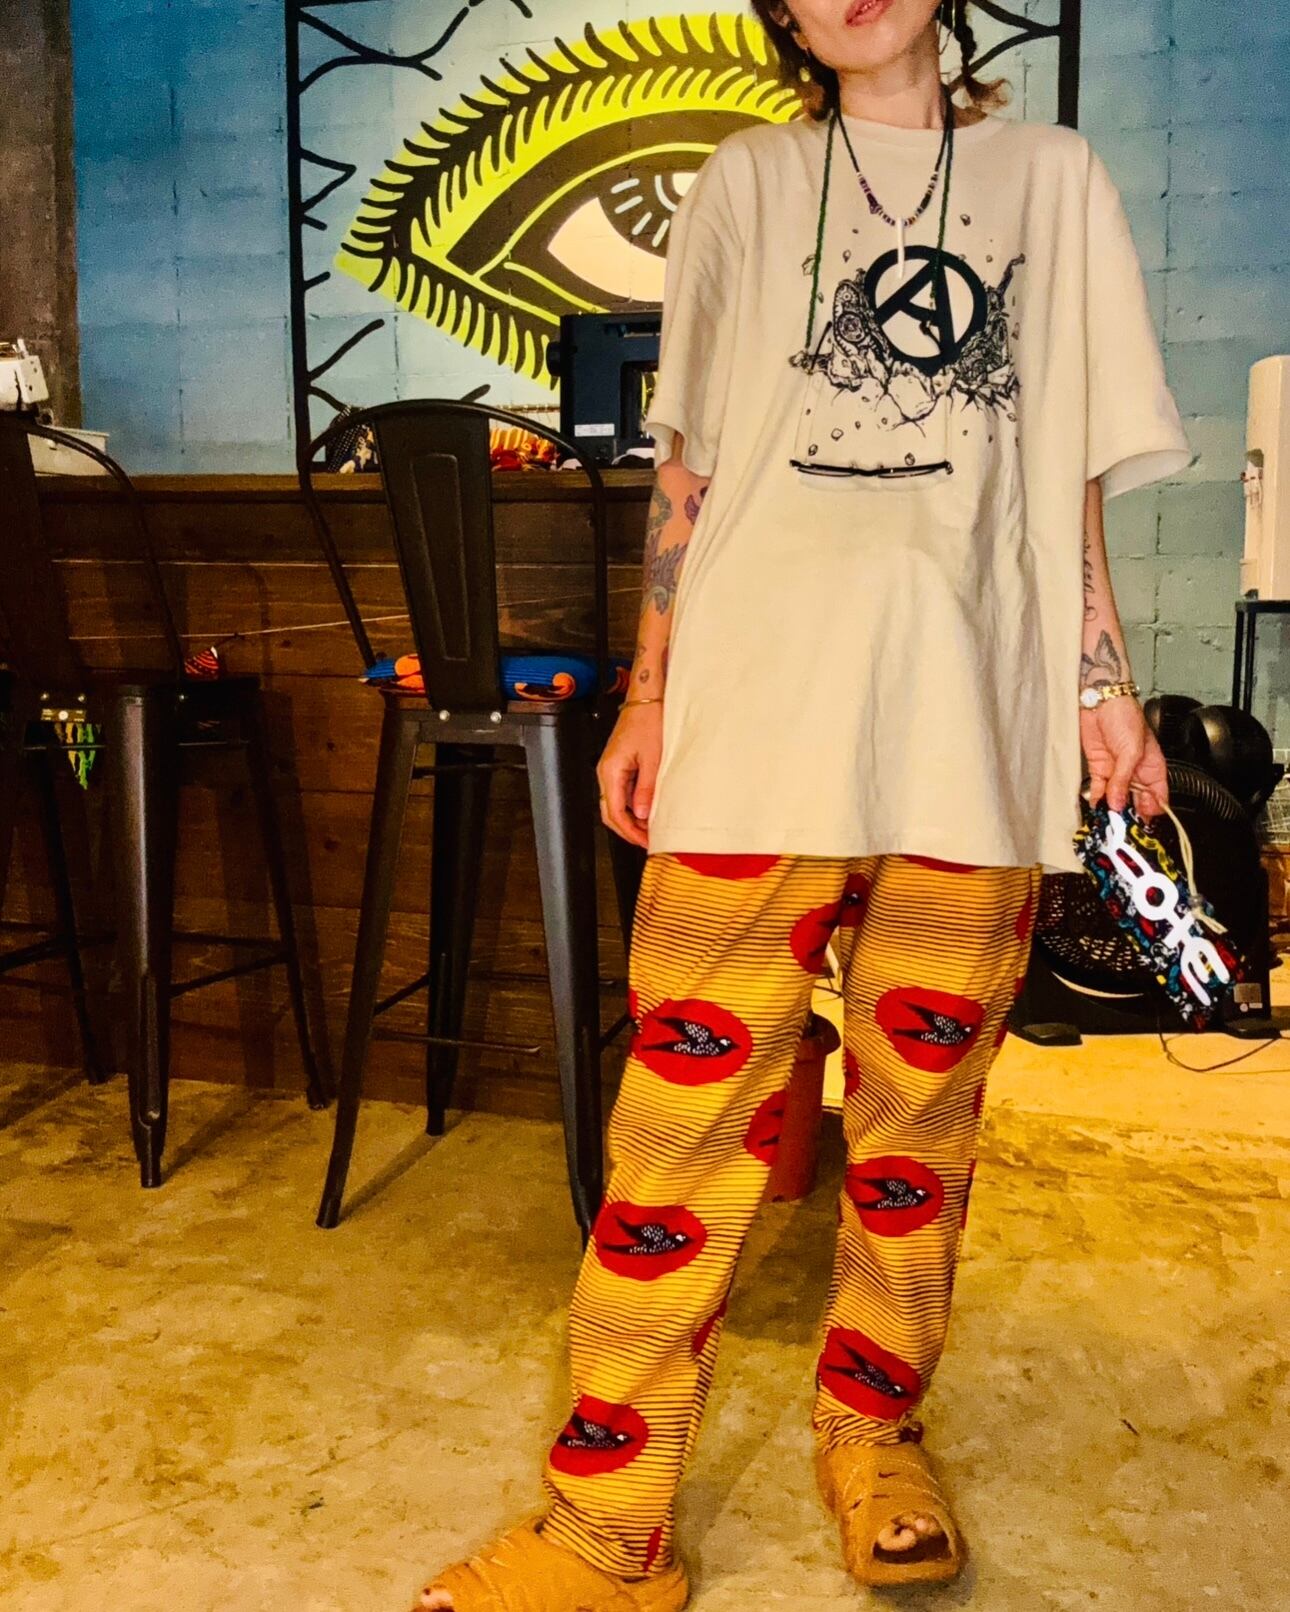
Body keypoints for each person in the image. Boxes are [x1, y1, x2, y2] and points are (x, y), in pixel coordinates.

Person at [413, 1, 1193, 1606]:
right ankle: (608, 1527)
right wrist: (650, 692)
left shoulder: (1051, 180)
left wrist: (1099, 683)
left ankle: (871, 1432)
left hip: (966, 721)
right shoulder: (746, 184)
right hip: (753, 719)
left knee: (918, 1127)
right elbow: (688, 476)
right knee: (681, 1130)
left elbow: (1063, 475)